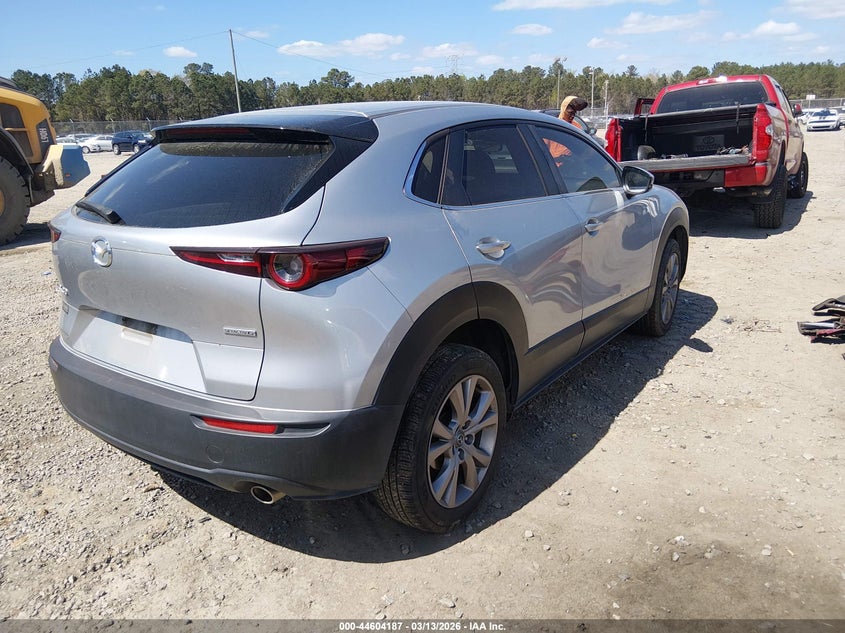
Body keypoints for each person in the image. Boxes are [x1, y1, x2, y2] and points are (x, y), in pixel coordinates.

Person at [545, 95, 589, 165]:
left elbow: (582, 148)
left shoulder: (576, 127)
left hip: (572, 165)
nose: (572, 116)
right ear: (563, 110)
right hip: (556, 167)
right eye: (570, 113)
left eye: (574, 113)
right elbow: (544, 149)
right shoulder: (553, 126)